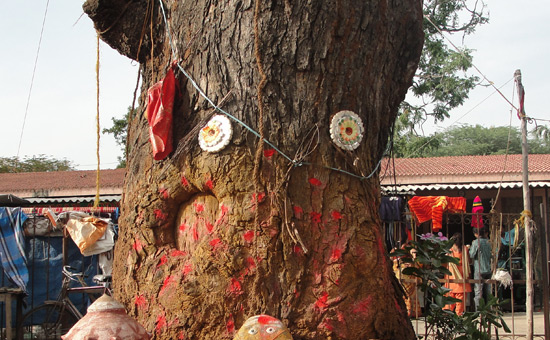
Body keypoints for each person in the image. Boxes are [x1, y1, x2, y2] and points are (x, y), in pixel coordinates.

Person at [444, 233, 471, 315]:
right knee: (460, 301)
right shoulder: (465, 249)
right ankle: (458, 316)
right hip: (462, 276)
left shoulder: (449, 251)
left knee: (449, 299)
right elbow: (469, 261)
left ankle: (447, 315)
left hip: (451, 277)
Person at [468, 226, 492, 311]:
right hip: (489, 268)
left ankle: (479, 310)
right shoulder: (489, 242)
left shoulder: (476, 242)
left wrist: (469, 248)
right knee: (489, 291)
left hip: (479, 269)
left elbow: (471, 255)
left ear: (476, 234)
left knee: (478, 291)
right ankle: (491, 309)